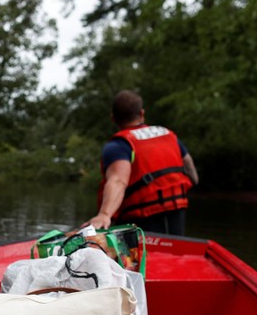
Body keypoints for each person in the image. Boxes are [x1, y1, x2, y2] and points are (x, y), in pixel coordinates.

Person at [83, 90, 199, 235]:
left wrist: (105, 214)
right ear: (142, 113)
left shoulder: (119, 145)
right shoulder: (168, 134)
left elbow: (118, 180)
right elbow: (190, 167)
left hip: (142, 217)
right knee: (173, 248)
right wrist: (192, 183)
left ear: (113, 118)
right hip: (176, 208)